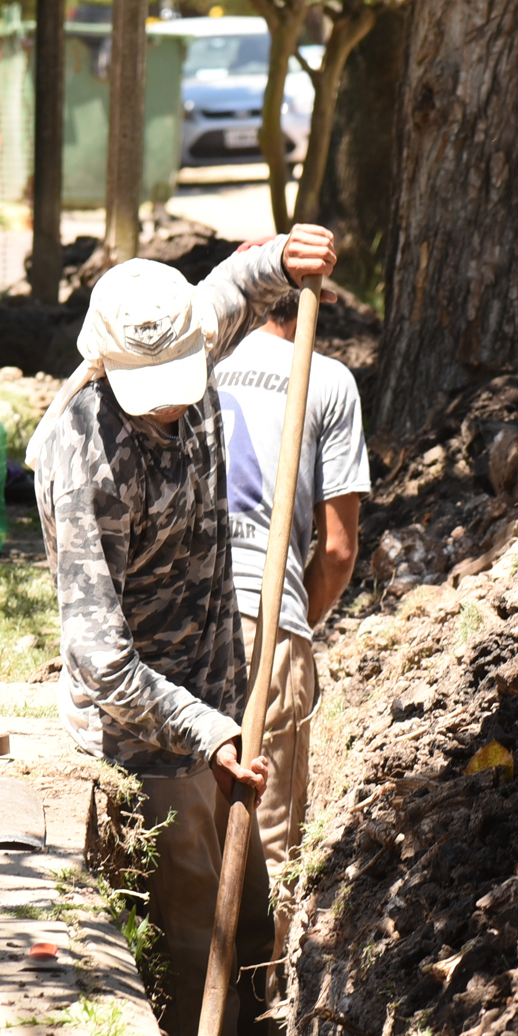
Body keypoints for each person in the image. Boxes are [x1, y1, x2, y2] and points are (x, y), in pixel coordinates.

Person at [30, 224, 339, 1036]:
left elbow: (235, 289)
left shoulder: (180, 340)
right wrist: (206, 735)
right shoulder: (75, 459)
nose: (169, 411)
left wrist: (284, 260)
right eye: (150, 402)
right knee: (190, 953)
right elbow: (98, 658)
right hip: (150, 740)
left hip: (222, 698)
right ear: (105, 362)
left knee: (251, 936)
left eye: (180, 389)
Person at [213, 295, 368, 897]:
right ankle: (260, 989)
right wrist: (299, 621)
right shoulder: (327, 381)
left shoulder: (199, 362)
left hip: (184, 613)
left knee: (188, 813)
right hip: (267, 618)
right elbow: (336, 551)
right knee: (268, 838)